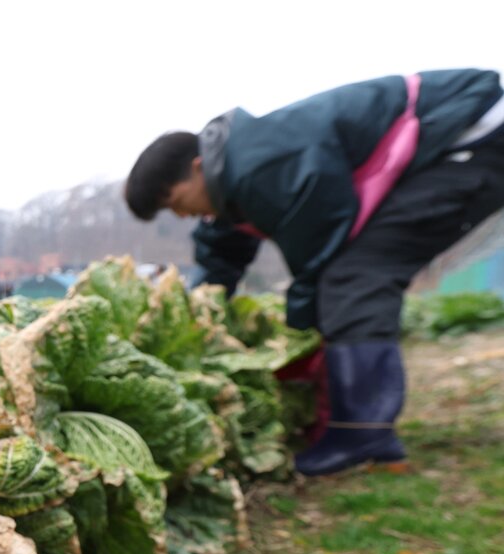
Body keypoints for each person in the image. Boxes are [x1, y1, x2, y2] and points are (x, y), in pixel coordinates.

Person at [125, 69, 504, 476]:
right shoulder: (237, 171)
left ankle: (363, 435)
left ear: (198, 168)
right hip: (451, 141)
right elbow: (221, 253)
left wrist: (297, 341)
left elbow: (319, 253)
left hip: (467, 138)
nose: (183, 215)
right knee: (346, 275)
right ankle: (356, 425)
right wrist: (189, 311)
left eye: (177, 202)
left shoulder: (262, 164)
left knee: (354, 275)